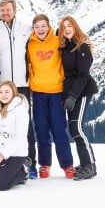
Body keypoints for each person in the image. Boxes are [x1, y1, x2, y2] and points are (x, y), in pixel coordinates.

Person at [0, 0, 37, 178]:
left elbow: (46, 36)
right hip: (0, 86)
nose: (5, 13)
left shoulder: (26, 29)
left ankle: (30, 163)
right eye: (2, 10)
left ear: (15, 10)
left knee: (25, 127)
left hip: (21, 86)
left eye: (8, 9)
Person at [27, 14, 74, 179]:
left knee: (59, 130)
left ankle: (67, 165)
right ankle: (44, 165)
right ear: (33, 29)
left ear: (48, 27)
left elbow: (74, 45)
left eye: (43, 26)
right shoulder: (30, 44)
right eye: (37, 26)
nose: (40, 29)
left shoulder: (57, 41)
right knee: (41, 131)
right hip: (38, 93)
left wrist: (88, 45)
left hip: (56, 92)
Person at [58, 16, 98, 181]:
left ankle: (90, 166)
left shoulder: (82, 47)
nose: (67, 29)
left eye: (70, 26)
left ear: (75, 27)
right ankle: (85, 163)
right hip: (70, 92)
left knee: (77, 128)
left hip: (81, 91)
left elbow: (83, 76)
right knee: (74, 129)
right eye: (63, 27)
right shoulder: (65, 46)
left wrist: (73, 97)